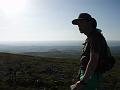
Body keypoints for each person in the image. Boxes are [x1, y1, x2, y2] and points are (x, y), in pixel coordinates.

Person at [70, 13, 109, 90]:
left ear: (89, 23)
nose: (78, 25)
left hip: (91, 78)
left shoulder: (94, 37)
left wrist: (83, 82)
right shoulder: (93, 36)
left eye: (81, 22)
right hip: (91, 76)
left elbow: (93, 61)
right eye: (78, 23)